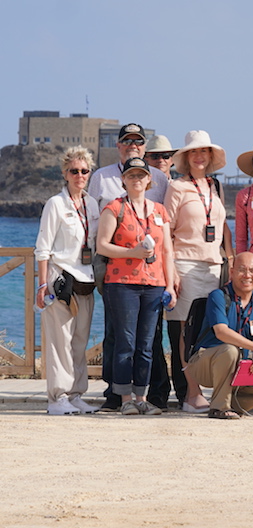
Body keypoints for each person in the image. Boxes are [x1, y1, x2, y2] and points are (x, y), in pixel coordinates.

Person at [87, 123, 170, 411]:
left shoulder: (160, 205)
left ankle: (143, 398)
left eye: (141, 175)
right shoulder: (109, 195)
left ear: (149, 180)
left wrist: (170, 283)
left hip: (154, 280)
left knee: (147, 343)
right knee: (122, 339)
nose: (137, 179)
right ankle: (120, 398)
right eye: (131, 175)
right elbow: (99, 238)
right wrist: (132, 252)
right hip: (119, 278)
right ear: (123, 180)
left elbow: (167, 249)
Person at [165, 131, 234, 413]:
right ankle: (191, 394)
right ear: (186, 157)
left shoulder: (215, 187)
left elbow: (222, 225)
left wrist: (229, 257)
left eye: (203, 151)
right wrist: (172, 273)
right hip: (185, 263)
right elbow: (165, 231)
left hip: (214, 267)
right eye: (193, 152)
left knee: (212, 330)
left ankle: (212, 390)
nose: (198, 156)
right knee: (186, 331)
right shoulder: (177, 187)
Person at [35, 146, 101, 415]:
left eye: (84, 171)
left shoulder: (92, 204)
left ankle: (75, 394)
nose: (80, 175)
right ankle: (57, 397)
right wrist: (42, 285)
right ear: (65, 173)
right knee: (59, 342)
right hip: (60, 281)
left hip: (85, 282)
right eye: (74, 171)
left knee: (79, 341)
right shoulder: (55, 204)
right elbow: (42, 248)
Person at [183, 252, 253, 419]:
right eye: (242, 270)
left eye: (252, 270)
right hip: (204, 364)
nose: (247, 275)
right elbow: (221, 332)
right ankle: (219, 407)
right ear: (231, 272)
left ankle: (234, 405)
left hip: (240, 367)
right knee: (229, 350)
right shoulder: (218, 296)